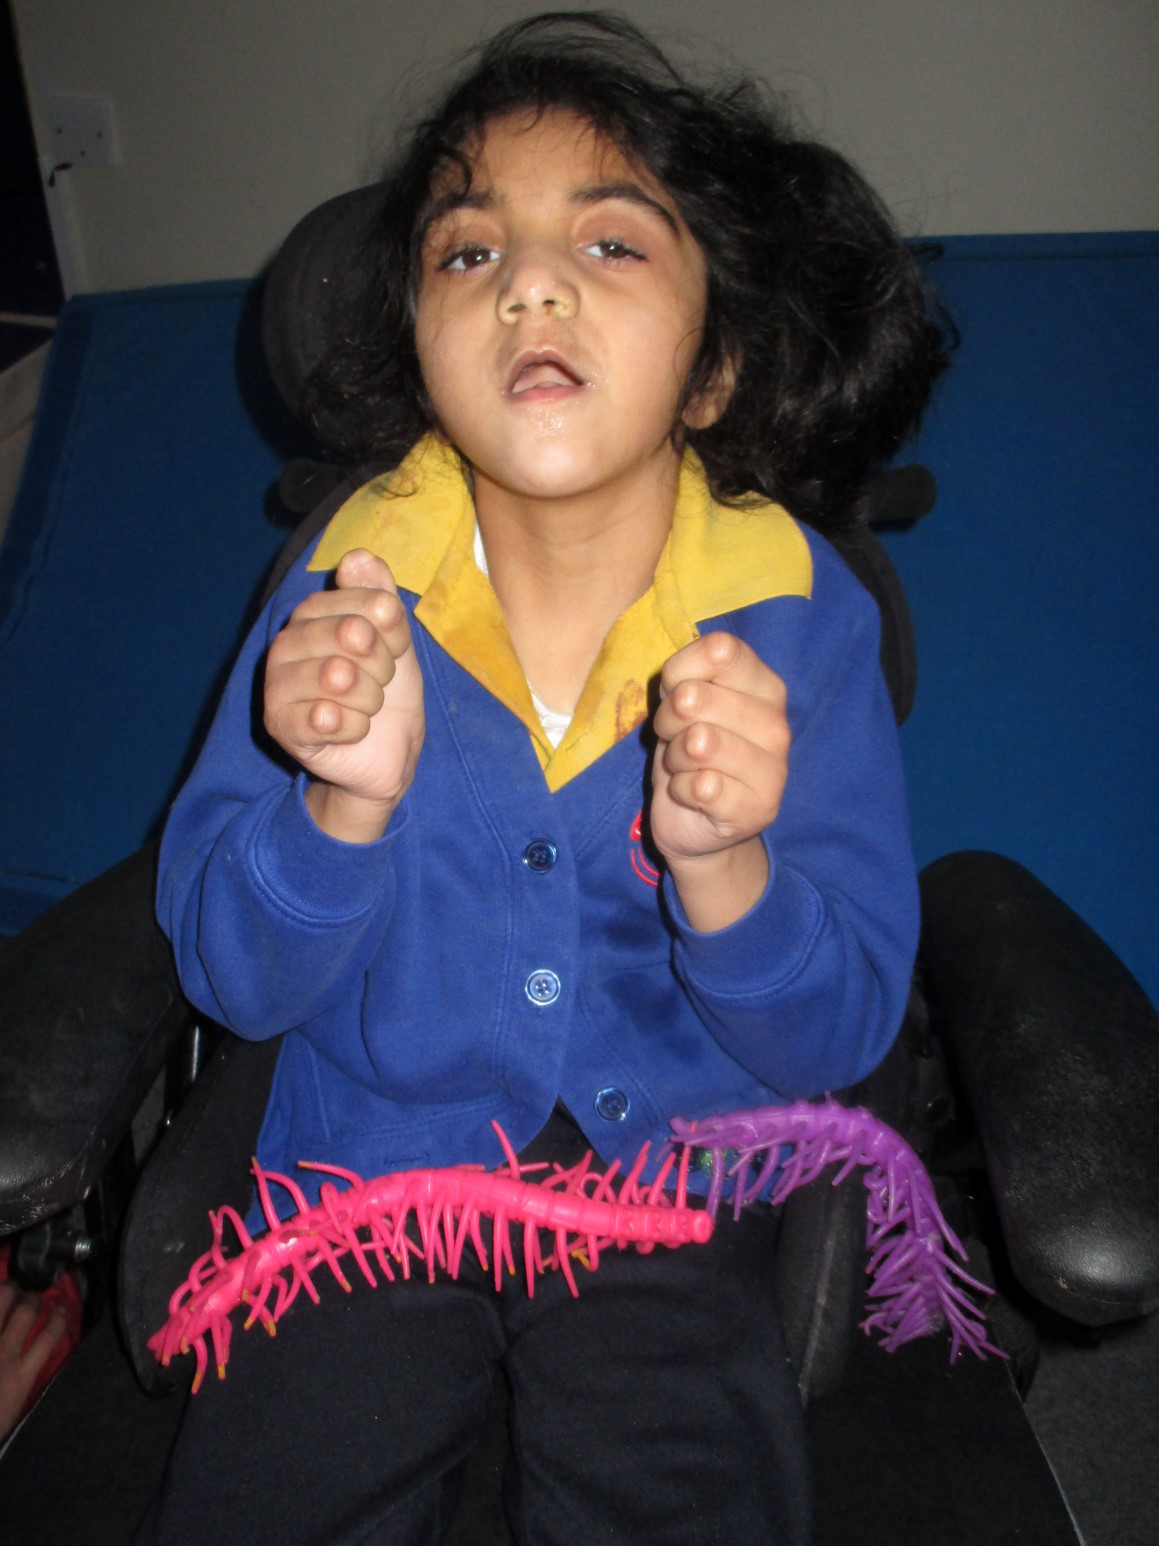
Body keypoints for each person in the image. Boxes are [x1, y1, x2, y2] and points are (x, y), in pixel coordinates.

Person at [147, 13, 950, 1542]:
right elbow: (229, 975)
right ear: (419, 350)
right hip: (367, 1172)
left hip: (669, 1189)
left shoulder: (800, 615)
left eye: (610, 241)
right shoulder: (339, 591)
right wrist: (335, 811)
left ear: (712, 368)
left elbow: (840, 1023)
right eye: (470, 251)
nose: (529, 281)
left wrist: (726, 870)